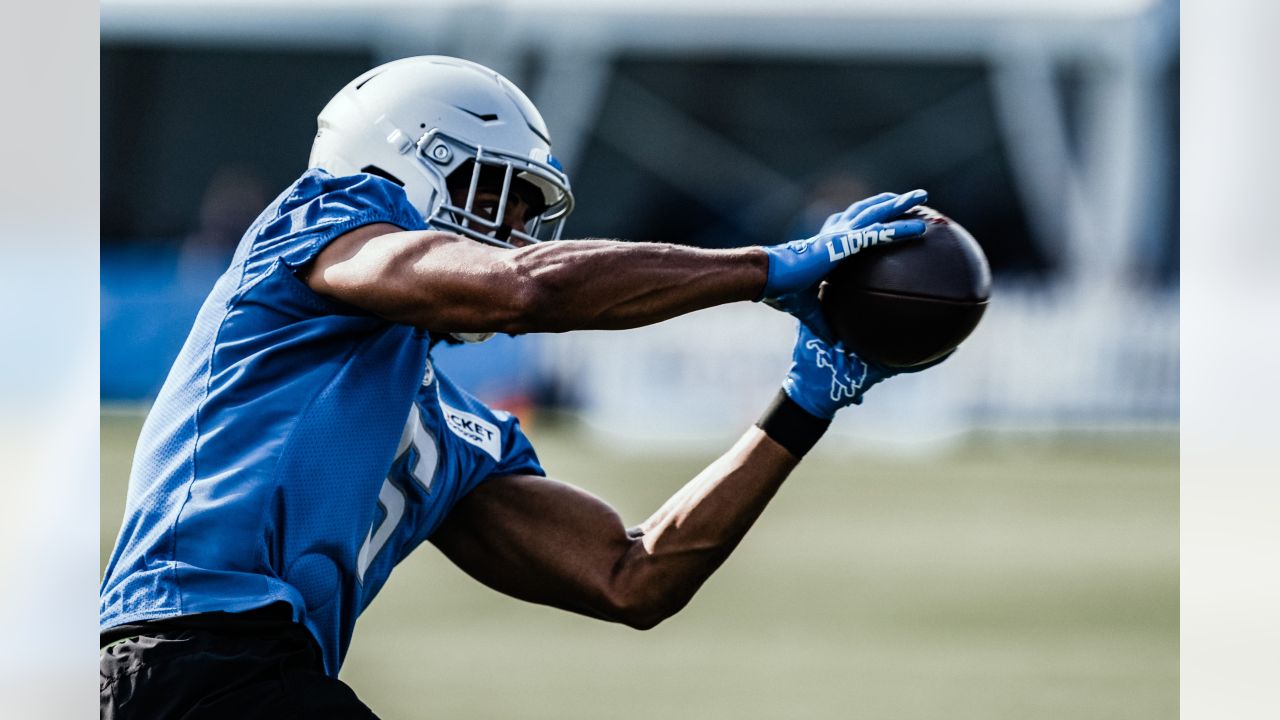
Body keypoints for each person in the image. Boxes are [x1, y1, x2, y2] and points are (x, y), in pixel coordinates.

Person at [99, 55, 940, 718]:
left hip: (231, 679)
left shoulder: (441, 428)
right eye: (490, 194)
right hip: (185, 652)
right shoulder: (321, 220)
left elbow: (632, 576)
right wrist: (768, 267)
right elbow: (526, 287)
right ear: (405, 160)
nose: (508, 231)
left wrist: (805, 403)